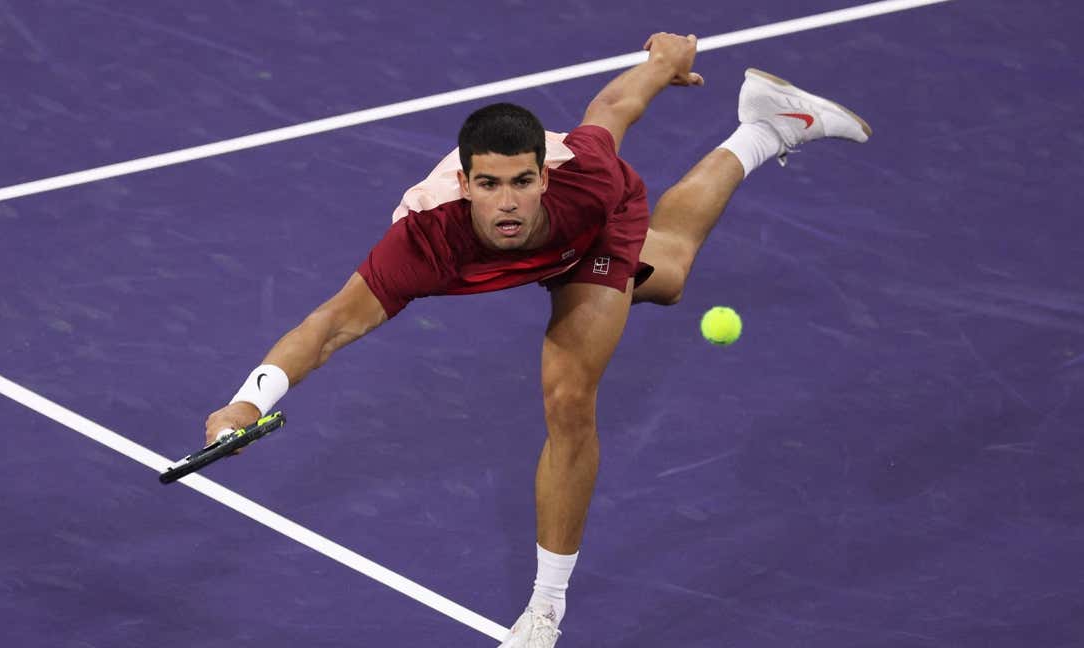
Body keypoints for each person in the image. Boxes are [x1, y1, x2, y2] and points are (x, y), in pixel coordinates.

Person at [203, 32, 870, 647]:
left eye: (523, 181)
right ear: (464, 184)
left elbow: (611, 109)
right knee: (668, 276)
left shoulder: (587, 180)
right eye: (488, 186)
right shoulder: (424, 242)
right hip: (556, 249)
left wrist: (662, 64)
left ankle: (544, 611)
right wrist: (246, 404)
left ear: (544, 176)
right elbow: (328, 328)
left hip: (593, 235)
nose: (508, 203)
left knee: (569, 393)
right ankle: (767, 125)